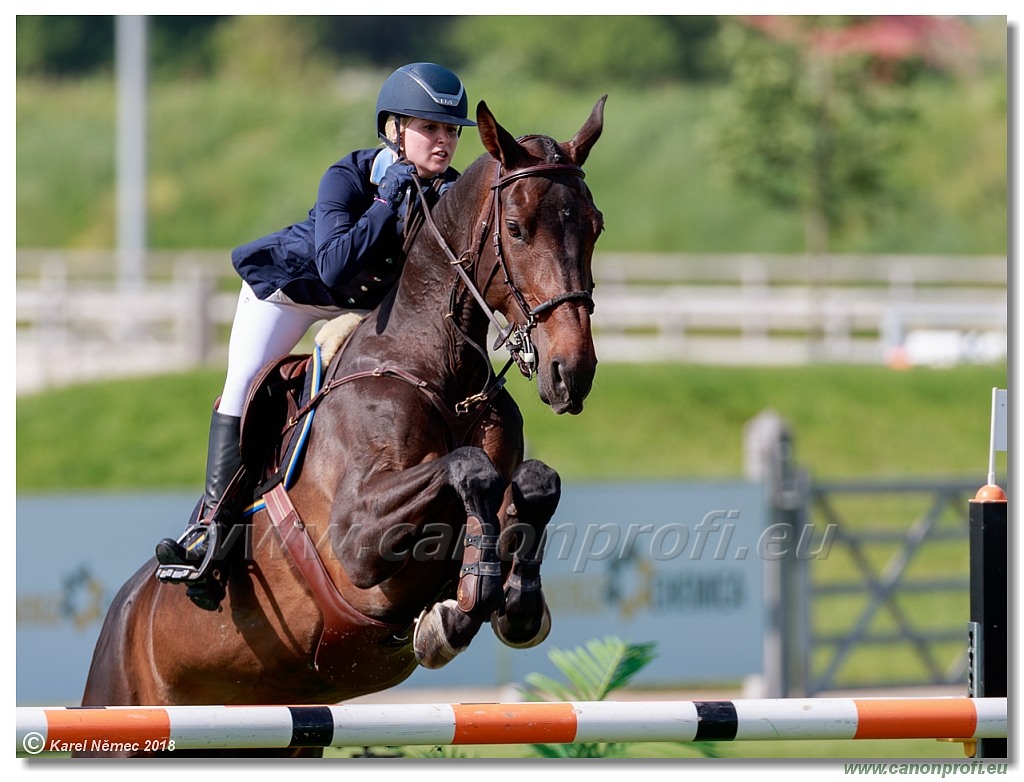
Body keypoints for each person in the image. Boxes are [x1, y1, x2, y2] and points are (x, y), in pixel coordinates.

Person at [154, 62, 476, 587]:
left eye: (449, 132)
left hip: (359, 308)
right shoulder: (349, 177)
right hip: (292, 293)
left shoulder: (446, 191)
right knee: (245, 385)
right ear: (394, 130)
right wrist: (385, 201)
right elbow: (333, 266)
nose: (443, 141)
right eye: (429, 128)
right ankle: (211, 529)